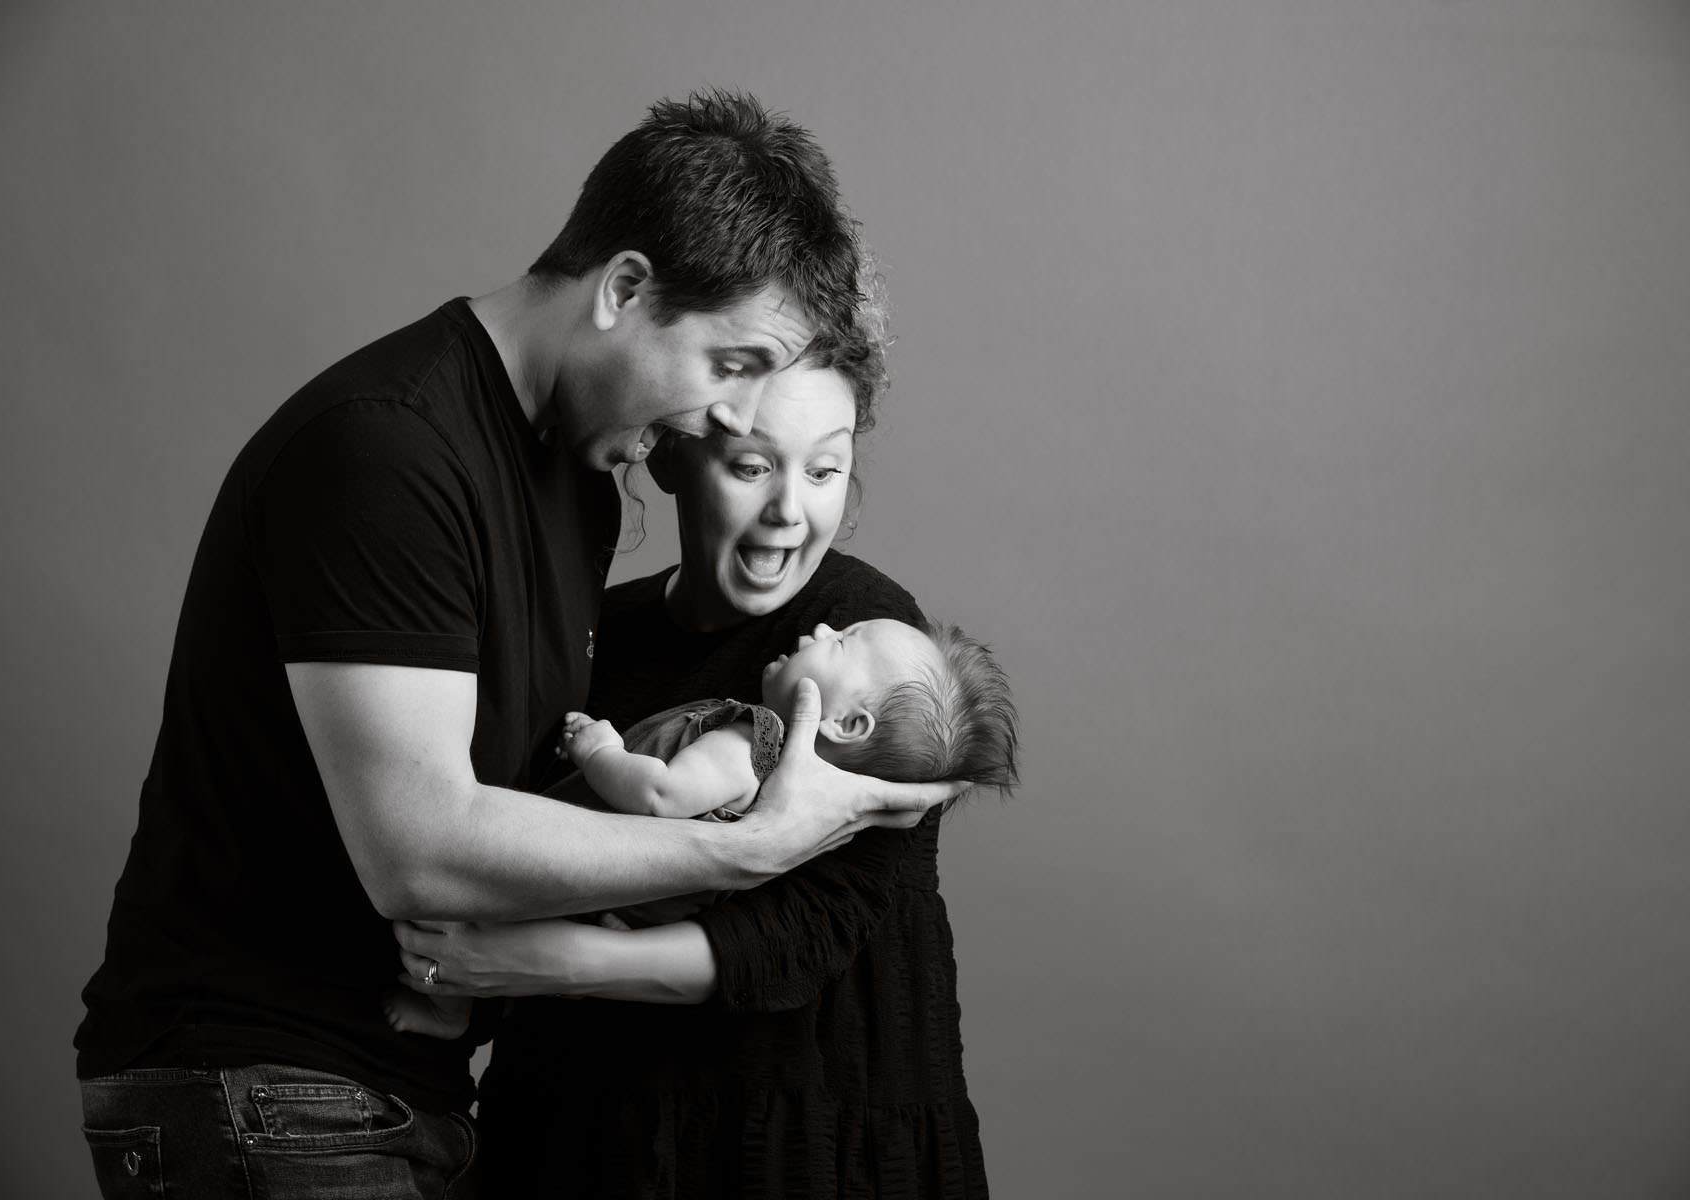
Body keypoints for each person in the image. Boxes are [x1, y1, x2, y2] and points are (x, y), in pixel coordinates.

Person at [73, 90, 957, 1200]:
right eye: (730, 367)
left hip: (400, 1092)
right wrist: (750, 844)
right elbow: (422, 847)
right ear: (625, 288)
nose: (727, 420)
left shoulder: (575, 482)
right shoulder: (389, 452)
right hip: (272, 1085)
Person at [392, 329, 1016, 1197]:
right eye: (753, 466)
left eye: (826, 470)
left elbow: (798, 937)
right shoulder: (594, 635)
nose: (790, 511)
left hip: (800, 1129)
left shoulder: (873, 640)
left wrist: (538, 962)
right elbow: (516, 837)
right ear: (673, 456)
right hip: (582, 1121)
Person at [386, 615, 1017, 1039]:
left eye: (844, 641)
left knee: (459, 908)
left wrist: (597, 751)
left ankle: (447, 1010)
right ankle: (451, 1007)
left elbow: (660, 797)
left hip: (595, 861)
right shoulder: (794, 790)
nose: (822, 627)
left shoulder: (751, 744)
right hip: (618, 902)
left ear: (845, 725)